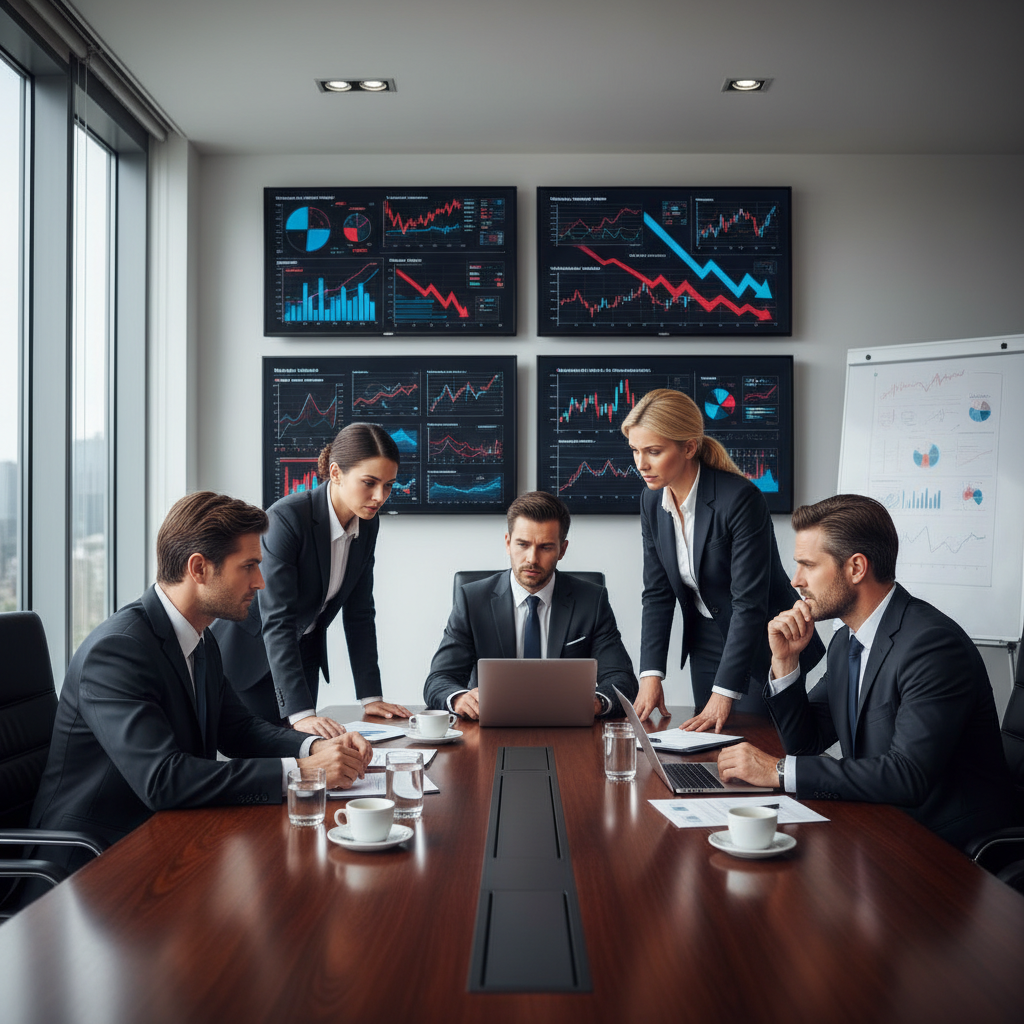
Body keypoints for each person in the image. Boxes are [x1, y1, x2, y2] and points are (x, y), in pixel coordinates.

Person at [30, 491, 372, 879]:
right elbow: (163, 779)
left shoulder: (200, 636)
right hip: (89, 865)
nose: (260, 582)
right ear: (199, 568)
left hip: (163, 838)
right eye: (248, 566)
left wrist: (318, 746)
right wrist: (302, 770)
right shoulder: (118, 651)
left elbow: (238, 729)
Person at [717, 494, 1018, 851]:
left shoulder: (932, 646)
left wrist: (777, 771)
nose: (796, 580)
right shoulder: (848, 641)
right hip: (881, 825)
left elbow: (907, 776)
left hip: (948, 846)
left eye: (808, 565)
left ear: (856, 568)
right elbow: (806, 744)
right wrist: (785, 663)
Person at [622, 388, 824, 731]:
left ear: (688, 447)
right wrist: (650, 675)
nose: (641, 464)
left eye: (653, 452)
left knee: (758, 744)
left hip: (763, 642)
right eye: (635, 451)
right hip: (704, 637)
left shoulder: (740, 499)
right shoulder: (651, 501)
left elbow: (749, 603)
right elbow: (657, 593)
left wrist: (725, 691)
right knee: (710, 745)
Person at [212, 423, 411, 737]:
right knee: (264, 766)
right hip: (250, 661)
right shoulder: (286, 520)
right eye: (369, 483)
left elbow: (360, 613)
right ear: (335, 473)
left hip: (301, 661)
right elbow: (277, 618)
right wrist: (299, 712)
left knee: (303, 763)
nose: (379, 497)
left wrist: (371, 696)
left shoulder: (367, 524)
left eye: (388, 485)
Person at [423, 491, 638, 718]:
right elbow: (439, 679)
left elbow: (621, 679)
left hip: (567, 728)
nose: (532, 559)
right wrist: (458, 698)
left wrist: (596, 702)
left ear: (562, 550)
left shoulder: (591, 601)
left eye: (545, 547)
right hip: (489, 727)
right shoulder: (472, 600)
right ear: (508, 543)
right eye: (523, 544)